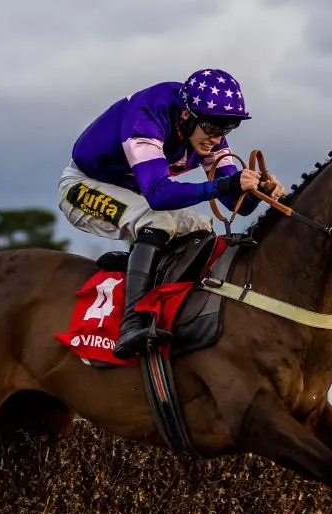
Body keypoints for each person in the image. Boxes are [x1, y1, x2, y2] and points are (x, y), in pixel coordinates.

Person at [60, 67, 284, 359]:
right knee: (157, 219)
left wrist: (258, 193)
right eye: (214, 128)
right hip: (83, 186)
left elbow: (233, 205)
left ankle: (170, 304)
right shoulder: (148, 115)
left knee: (200, 225)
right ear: (187, 115)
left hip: (134, 193)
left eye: (227, 129)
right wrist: (227, 183)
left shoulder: (206, 128)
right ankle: (131, 324)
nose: (217, 139)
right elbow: (158, 195)